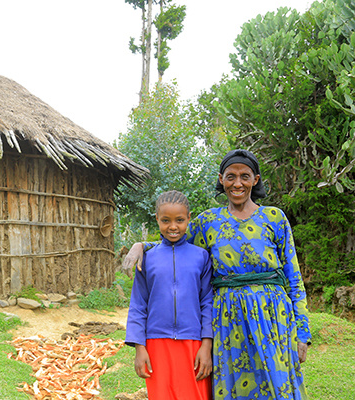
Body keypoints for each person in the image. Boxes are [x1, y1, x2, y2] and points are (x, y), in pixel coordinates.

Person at [123, 149, 311, 400]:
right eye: (231, 176)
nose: (237, 183)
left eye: (245, 176)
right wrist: (141, 246)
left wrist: (302, 332)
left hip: (272, 317)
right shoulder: (208, 221)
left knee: (277, 386)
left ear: (255, 180)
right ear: (221, 179)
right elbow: (174, 242)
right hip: (227, 320)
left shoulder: (274, 217)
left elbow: (294, 278)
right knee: (234, 387)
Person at [125, 190, 213, 400]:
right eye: (166, 220)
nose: (173, 226)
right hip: (156, 343)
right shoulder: (147, 258)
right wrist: (140, 347)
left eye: (179, 220)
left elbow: (207, 303)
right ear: (157, 220)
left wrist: (206, 346)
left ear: (189, 219)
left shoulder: (201, 256)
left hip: (193, 344)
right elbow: (138, 304)